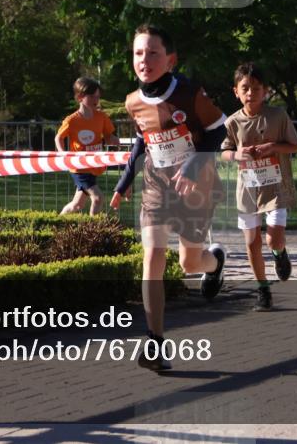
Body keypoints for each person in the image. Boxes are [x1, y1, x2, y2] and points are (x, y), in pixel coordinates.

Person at [110, 25, 227, 373]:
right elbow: (143, 141)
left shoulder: (189, 95)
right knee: (153, 256)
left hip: (195, 186)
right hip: (156, 186)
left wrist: (192, 166)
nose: (144, 60)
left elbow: (218, 129)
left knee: (189, 264)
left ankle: (214, 263)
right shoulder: (133, 101)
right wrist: (124, 181)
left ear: (171, 59)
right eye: (138, 53)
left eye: (152, 53)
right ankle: (154, 341)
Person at [220, 63, 297, 311]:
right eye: (245, 88)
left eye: (256, 88)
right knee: (251, 240)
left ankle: (279, 253)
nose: (251, 93)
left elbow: (294, 146)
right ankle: (262, 288)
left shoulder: (278, 116)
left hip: (275, 185)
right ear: (236, 91)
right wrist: (237, 155)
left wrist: (273, 147)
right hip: (248, 188)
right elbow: (224, 152)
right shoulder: (232, 122)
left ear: (265, 91)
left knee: (273, 237)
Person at [56, 77, 120, 215]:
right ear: (80, 97)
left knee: (77, 205)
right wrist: (62, 153)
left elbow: (108, 137)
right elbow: (59, 138)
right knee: (97, 198)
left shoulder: (101, 117)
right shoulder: (72, 120)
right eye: (92, 96)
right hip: (79, 168)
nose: (96, 100)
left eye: (98, 96)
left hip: (93, 166)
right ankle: (93, 231)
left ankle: (58, 221)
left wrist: (114, 140)